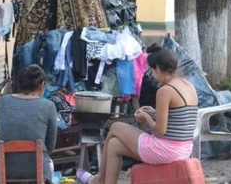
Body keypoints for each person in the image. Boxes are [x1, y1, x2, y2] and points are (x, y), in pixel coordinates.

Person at [77, 43, 199, 184]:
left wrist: (145, 117)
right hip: (184, 148)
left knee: (116, 126)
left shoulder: (165, 90)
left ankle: (98, 178)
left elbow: (160, 130)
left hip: (166, 150)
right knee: (114, 144)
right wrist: (154, 113)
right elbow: (180, 118)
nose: (152, 75)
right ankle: (101, 181)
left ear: (158, 68)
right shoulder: (188, 86)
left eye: (152, 71)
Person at [0, 64, 57, 183]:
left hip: (5, 169)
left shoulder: (3, 102)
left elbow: (0, 132)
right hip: (36, 169)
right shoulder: (48, 106)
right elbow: (50, 146)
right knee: (50, 165)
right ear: (42, 85)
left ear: (19, 83)